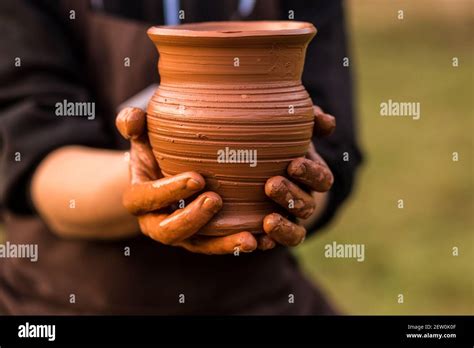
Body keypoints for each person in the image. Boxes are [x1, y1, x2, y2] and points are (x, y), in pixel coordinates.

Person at [0, 0, 362, 314]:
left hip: (256, 298)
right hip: (63, 301)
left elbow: (332, 152)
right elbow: (34, 156)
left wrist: (294, 195)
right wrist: (151, 182)